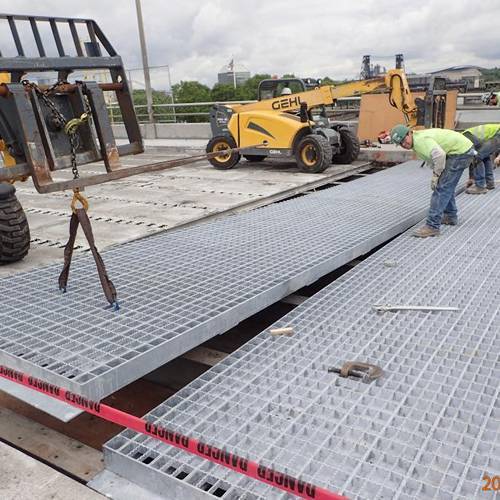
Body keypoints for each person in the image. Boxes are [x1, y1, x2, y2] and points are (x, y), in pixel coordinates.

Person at [390, 125, 475, 238]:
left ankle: (432, 226)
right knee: (445, 185)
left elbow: (439, 155)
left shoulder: (420, 140)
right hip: (461, 150)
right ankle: (450, 216)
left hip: (460, 152)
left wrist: (436, 175)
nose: (404, 144)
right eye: (401, 144)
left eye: (404, 140)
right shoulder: (416, 140)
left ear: (409, 133)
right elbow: (433, 158)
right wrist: (437, 175)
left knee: (442, 189)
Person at [462, 123, 500, 193]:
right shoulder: (467, 135)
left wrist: (471, 177)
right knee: (485, 157)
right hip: (495, 135)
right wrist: (471, 178)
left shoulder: (464, 138)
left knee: (477, 157)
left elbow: (473, 157)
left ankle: (479, 186)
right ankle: (490, 183)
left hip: (497, 135)